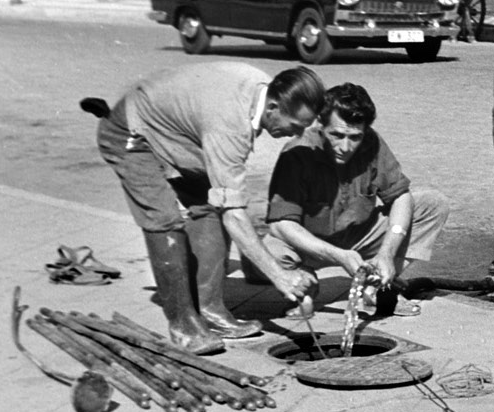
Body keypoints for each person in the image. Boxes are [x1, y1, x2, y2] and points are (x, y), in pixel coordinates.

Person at [85, 64, 326, 352]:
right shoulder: (231, 122)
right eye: (295, 126)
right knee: (165, 221)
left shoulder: (266, 91)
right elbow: (234, 215)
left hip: (177, 134)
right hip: (131, 133)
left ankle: (211, 309)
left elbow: (223, 199)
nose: (293, 135)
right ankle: (183, 324)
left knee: (210, 205)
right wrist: (278, 275)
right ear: (273, 107)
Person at [254, 82, 449, 318]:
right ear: (320, 124)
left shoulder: (372, 142)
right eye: (336, 135)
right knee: (267, 252)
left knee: (431, 205)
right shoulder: (297, 153)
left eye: (355, 137)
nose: (345, 147)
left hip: (359, 235)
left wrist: (387, 253)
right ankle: (305, 283)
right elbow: (281, 224)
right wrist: (338, 255)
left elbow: (399, 196)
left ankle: (376, 285)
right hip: (308, 244)